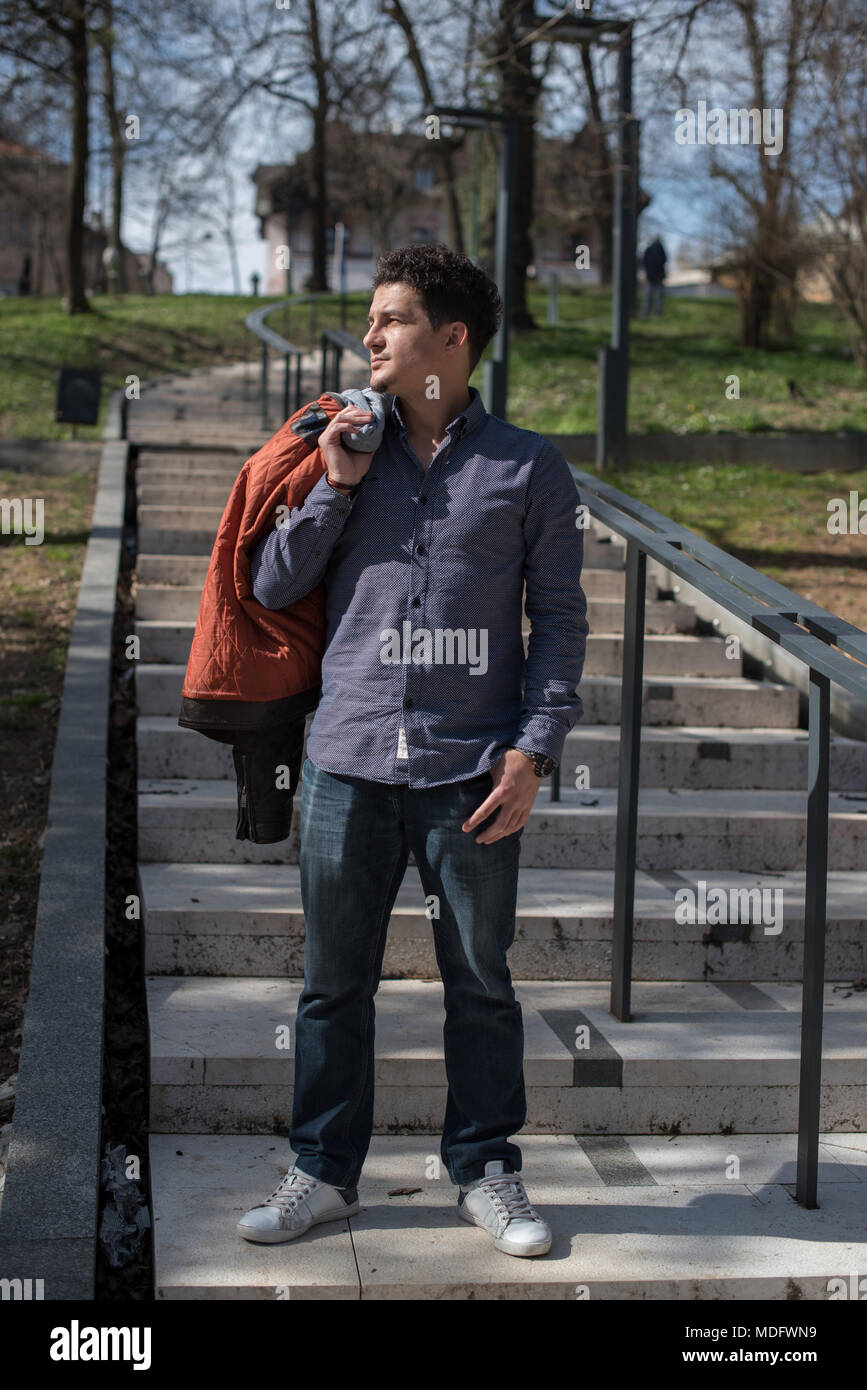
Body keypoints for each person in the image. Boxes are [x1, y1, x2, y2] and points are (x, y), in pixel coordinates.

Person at [237, 241, 589, 1260]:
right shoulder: (339, 445)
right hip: (347, 760)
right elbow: (270, 584)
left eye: (389, 318)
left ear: (452, 339)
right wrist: (335, 481)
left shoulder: (529, 466)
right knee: (331, 984)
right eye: (371, 318)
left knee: (480, 981)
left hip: (471, 771)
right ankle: (322, 1171)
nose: (370, 336)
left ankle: (485, 1170)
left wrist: (535, 749)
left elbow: (560, 621)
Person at [641, 235, 667, 318]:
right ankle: (657, 315)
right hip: (658, 277)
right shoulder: (660, 249)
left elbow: (644, 262)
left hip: (650, 277)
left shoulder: (649, 249)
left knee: (648, 297)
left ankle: (645, 314)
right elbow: (665, 260)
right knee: (658, 297)